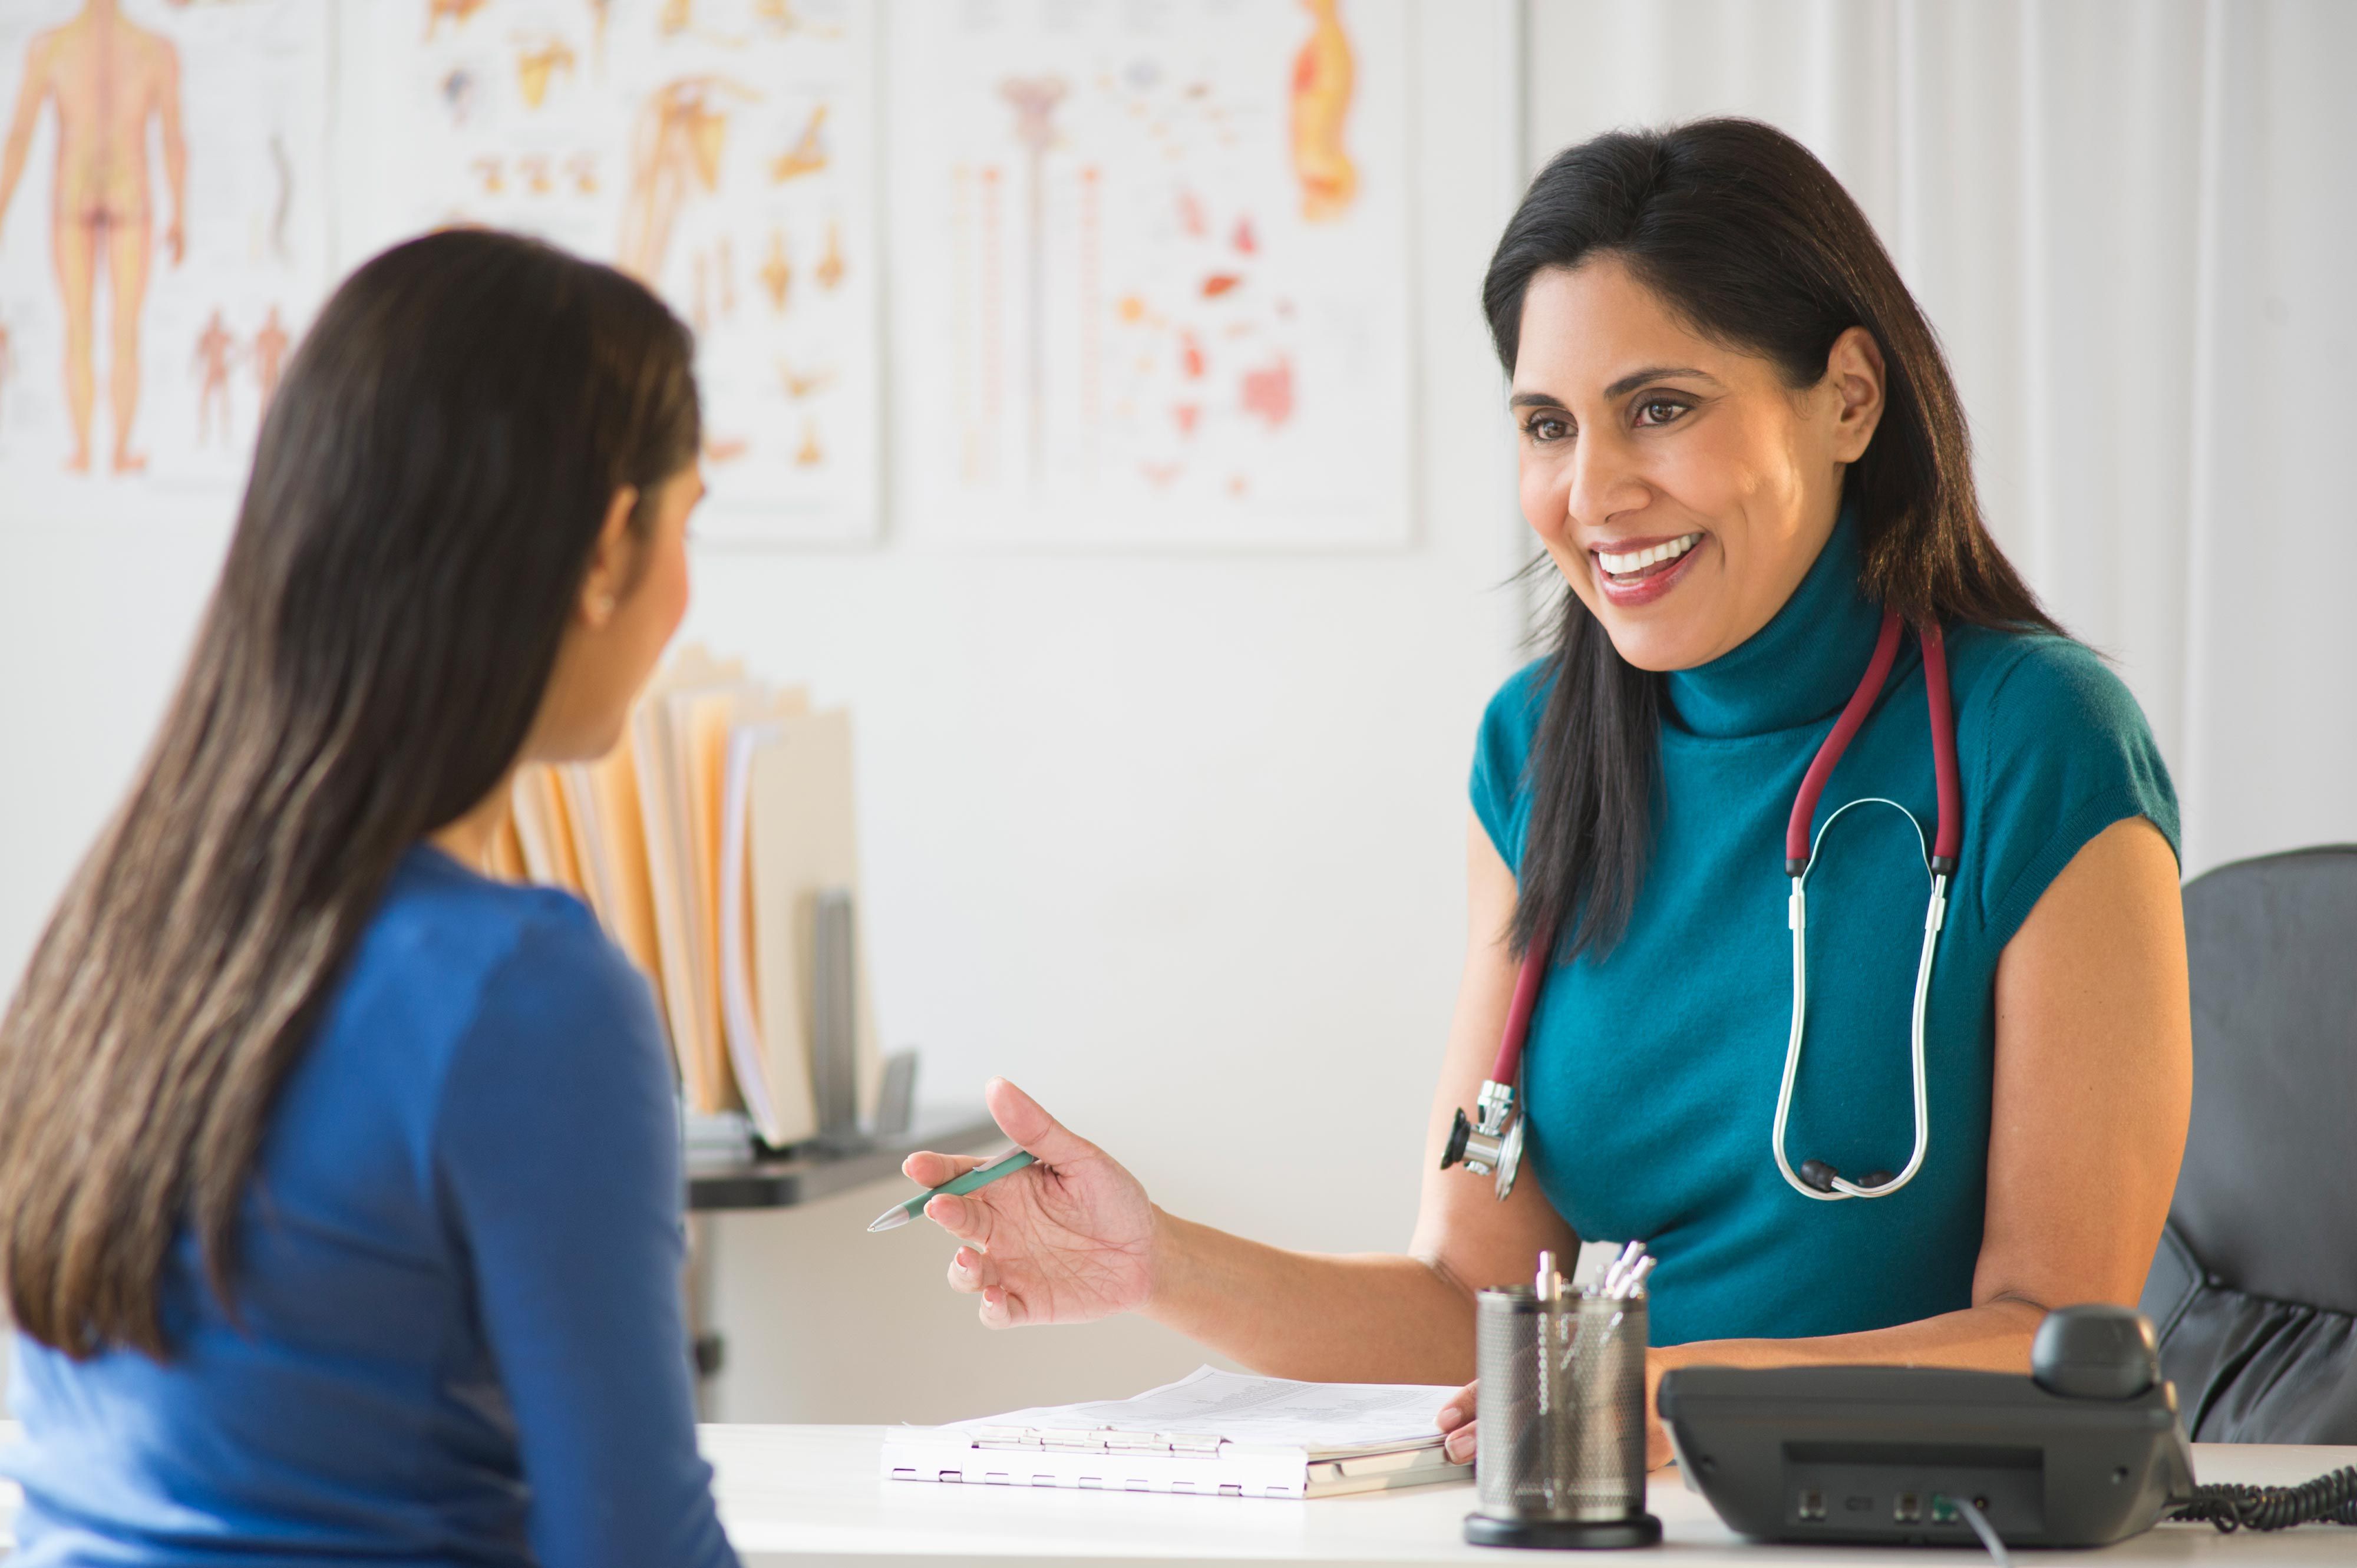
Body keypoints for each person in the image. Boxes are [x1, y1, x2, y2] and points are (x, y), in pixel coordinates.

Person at [900, 119, 2193, 1468]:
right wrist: (1157, 1263)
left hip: (1900, 1526)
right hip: (1598, 1509)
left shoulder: (2035, 740)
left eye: (1660, 408)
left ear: (1848, 399)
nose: (1592, 494)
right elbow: (1473, 1304)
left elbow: (2061, 1337)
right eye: (1545, 425)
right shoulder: (1535, 751)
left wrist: (1667, 1397)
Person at [0, 230, 736, 1568]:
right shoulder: (525, 993)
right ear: (607, 544)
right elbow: (636, 1552)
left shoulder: (110, 934)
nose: (687, 592)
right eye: (687, 525)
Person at [0, 0, 187, 474]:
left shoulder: (59, 47)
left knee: (100, 330)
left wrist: (182, 213)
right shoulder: (149, 50)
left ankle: (98, 451)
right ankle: (98, 450)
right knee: (99, 330)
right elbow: (20, 135)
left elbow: (172, 137)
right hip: (115, 195)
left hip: (89, 194)